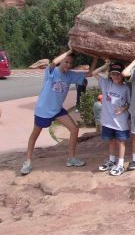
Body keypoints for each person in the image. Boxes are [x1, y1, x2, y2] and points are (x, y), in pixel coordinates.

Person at [20, 47, 98, 176]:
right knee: (35, 135)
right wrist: (69, 51)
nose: (68, 65)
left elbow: (89, 73)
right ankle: (27, 162)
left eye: (70, 63)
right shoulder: (51, 71)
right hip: (43, 109)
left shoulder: (70, 75)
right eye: (66, 62)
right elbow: (53, 63)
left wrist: (96, 57)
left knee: (74, 129)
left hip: (57, 110)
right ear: (61, 61)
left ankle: (71, 158)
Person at [92, 60, 130, 176]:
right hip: (108, 121)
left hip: (120, 121)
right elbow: (94, 73)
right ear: (109, 75)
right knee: (111, 141)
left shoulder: (125, 88)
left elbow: (129, 103)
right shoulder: (106, 84)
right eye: (113, 73)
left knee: (121, 142)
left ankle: (120, 164)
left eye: (118, 74)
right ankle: (112, 161)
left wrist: (122, 109)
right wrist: (106, 65)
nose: (116, 76)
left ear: (122, 75)